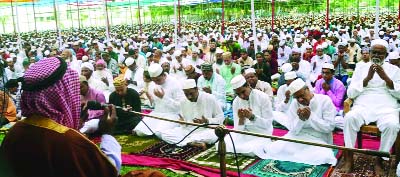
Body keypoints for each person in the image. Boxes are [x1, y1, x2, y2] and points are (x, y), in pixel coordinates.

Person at [0, 57, 139, 177]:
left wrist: (76, 126)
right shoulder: (68, 141)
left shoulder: (14, 132)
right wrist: (108, 133)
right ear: (61, 94)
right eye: (72, 90)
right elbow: (108, 171)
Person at [342, 39, 400, 175]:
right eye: (374, 52)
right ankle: (349, 157)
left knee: (392, 125)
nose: (376, 56)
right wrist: (367, 78)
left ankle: (379, 159)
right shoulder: (361, 67)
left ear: (386, 56)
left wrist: (386, 78)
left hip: (386, 107)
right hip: (363, 105)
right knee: (349, 118)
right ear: (369, 52)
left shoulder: (395, 70)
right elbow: (350, 93)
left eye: (380, 53)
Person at [259, 78, 337, 165]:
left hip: (318, 138)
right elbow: (293, 130)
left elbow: (329, 127)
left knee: (324, 156)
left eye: (301, 95)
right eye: (296, 97)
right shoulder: (295, 104)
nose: (300, 100)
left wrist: (311, 117)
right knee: (273, 149)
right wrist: (300, 120)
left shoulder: (324, 100)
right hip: (298, 137)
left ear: (307, 89)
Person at [161, 79, 224, 148]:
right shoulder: (183, 101)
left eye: (191, 93)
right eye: (186, 94)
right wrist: (182, 122)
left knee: (214, 135)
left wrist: (207, 121)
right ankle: (190, 142)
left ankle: (186, 142)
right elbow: (184, 123)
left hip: (205, 130)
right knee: (164, 134)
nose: (189, 97)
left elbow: (221, 118)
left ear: (196, 89)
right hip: (188, 131)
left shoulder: (209, 98)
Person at [224, 75, 273, 157]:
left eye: (243, 92)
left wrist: (252, 117)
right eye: (238, 94)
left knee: (254, 149)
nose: (241, 96)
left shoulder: (263, 97)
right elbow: (237, 130)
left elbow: (267, 124)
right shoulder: (236, 101)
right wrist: (241, 120)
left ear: (248, 85)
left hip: (261, 133)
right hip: (245, 133)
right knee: (224, 143)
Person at [133, 63, 185, 137]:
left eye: (158, 80)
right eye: (154, 80)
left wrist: (163, 97)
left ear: (163, 75)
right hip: (157, 113)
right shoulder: (153, 84)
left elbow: (180, 106)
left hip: (172, 114)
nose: (156, 82)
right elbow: (154, 105)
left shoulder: (175, 83)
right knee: (138, 132)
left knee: (159, 133)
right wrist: (150, 99)